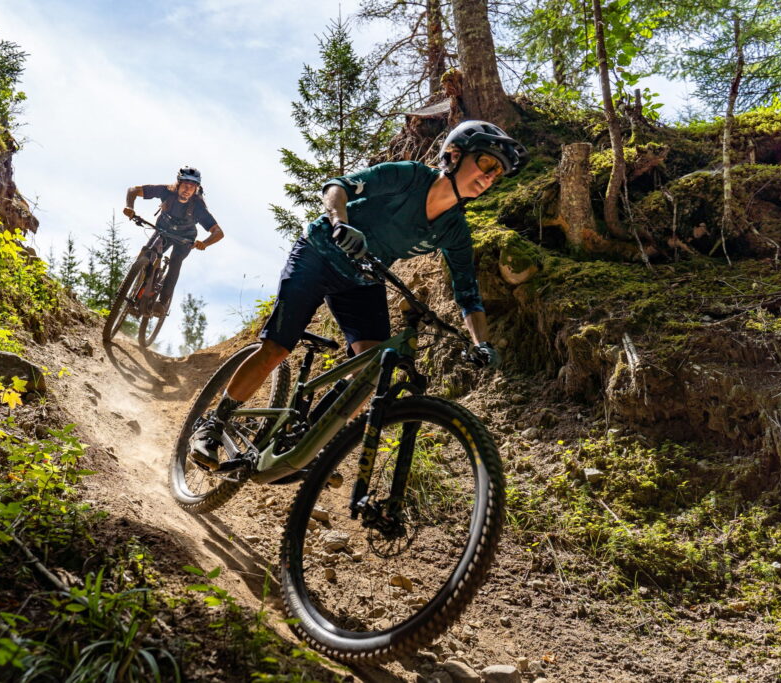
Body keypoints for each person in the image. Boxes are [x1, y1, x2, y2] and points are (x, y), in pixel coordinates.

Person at [187, 120, 528, 471]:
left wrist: (481, 343)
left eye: (497, 173)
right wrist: (340, 224)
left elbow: (467, 293)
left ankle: (311, 440)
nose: (490, 176)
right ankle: (214, 423)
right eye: (486, 163)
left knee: (372, 367)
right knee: (277, 348)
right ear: (454, 155)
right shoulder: (410, 176)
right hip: (318, 254)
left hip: (362, 278)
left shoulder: (454, 229)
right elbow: (338, 186)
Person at [123, 166, 224, 315]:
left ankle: (162, 303)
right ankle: (139, 289)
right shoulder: (166, 191)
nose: (187, 189)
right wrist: (129, 206)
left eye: (192, 186)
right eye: (185, 185)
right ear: (178, 184)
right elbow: (133, 190)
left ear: (196, 188)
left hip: (184, 239)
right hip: (163, 230)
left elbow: (218, 232)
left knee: (175, 262)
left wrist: (205, 243)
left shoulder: (198, 207)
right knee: (148, 254)